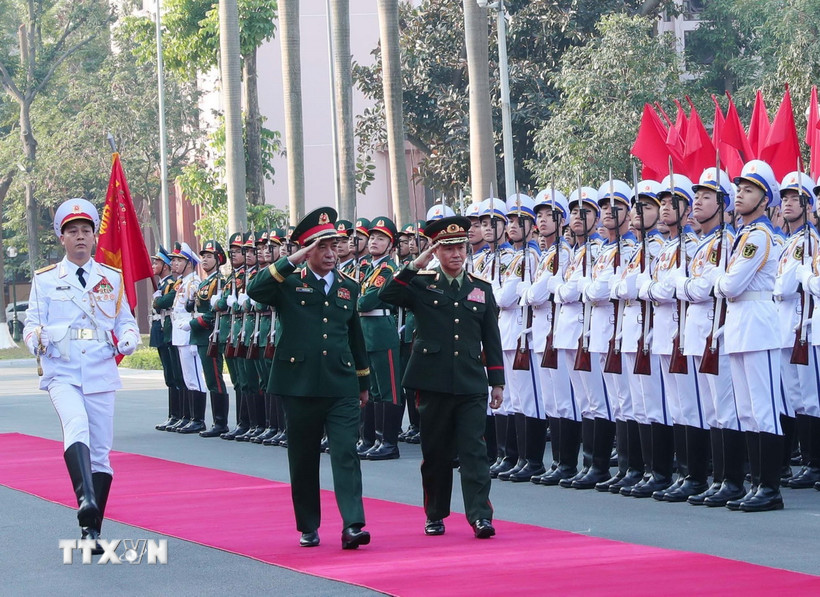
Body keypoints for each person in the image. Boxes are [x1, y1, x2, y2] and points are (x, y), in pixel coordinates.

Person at [246, 207, 371, 550]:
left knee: (346, 452)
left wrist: (362, 383)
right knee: (303, 457)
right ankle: (308, 525)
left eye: (334, 246)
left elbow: (354, 337)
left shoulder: (349, 286)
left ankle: (353, 524)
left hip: (341, 383)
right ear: (306, 250)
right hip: (299, 383)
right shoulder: (288, 284)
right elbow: (255, 289)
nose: (331, 253)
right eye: (322, 247)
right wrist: (291, 260)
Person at [23, 198, 139, 551]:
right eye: (72, 231)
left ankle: (92, 529)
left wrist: (131, 338)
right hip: (63, 370)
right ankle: (85, 500)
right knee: (76, 425)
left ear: (93, 237)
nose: (79, 237)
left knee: (101, 452)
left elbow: (125, 320)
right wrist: (35, 340)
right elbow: (31, 325)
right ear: (62, 237)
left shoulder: (111, 277)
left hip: (100, 370)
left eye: (85, 231)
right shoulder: (45, 280)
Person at [379, 215, 505, 539]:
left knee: (474, 451)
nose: (456, 254)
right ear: (436, 252)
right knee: (435, 452)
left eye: (460, 247)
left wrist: (497, 382)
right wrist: (416, 262)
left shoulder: (481, 289)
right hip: (431, 380)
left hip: (470, 381)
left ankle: (480, 516)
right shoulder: (421, 284)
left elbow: (491, 338)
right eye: (447, 248)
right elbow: (387, 295)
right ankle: (435, 513)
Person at [187, 239, 230, 438]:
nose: (204, 260)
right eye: (203, 256)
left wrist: (196, 323)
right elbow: (196, 306)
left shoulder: (219, 281)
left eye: (209, 257)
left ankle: (220, 422)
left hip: (209, 334)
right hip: (200, 335)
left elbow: (216, 313)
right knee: (208, 377)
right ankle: (216, 421)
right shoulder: (205, 282)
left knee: (215, 379)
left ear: (219, 259)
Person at [150, 246, 180, 431]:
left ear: (166, 266)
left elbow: (162, 303)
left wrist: (158, 300)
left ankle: (178, 414)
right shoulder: (162, 284)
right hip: (160, 329)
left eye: (157, 262)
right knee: (169, 376)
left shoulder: (171, 284)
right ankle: (173, 414)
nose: (153, 265)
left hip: (167, 329)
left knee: (175, 374)